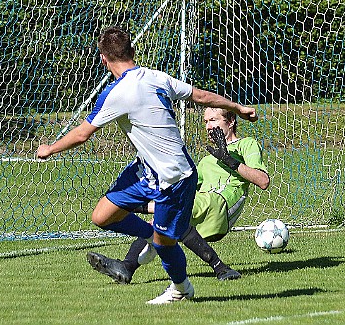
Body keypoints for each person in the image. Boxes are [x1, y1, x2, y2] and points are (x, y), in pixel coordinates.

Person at [37, 26, 258, 305]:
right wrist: (238, 108)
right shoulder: (157, 77)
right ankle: (156, 237)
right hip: (145, 171)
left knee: (165, 243)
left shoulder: (117, 92)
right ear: (132, 52)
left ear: (103, 60)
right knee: (102, 217)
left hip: (173, 176)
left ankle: (181, 288)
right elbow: (201, 96)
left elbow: (83, 134)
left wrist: (50, 148)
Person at [87, 107, 270, 284]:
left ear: (230, 122)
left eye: (213, 120)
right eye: (205, 122)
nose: (207, 126)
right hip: (201, 208)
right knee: (163, 221)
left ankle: (135, 206)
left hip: (221, 206)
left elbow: (263, 181)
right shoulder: (207, 160)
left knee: (176, 208)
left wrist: (229, 161)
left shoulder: (247, 144)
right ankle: (127, 267)